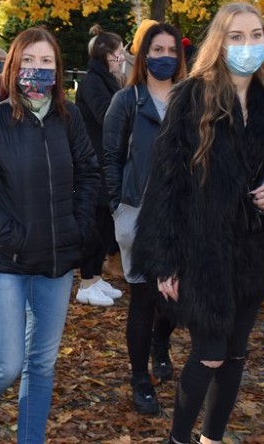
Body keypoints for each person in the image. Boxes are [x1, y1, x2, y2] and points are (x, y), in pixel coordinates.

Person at [133, 3, 264, 444]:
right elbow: (165, 184)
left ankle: (212, 439)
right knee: (209, 354)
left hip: (254, 247)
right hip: (201, 250)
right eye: (236, 37)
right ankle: (178, 439)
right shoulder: (192, 97)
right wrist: (165, 260)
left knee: (236, 355)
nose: (248, 45)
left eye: (256, 36)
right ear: (220, 43)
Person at [0, 27, 100, 443]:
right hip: (5, 262)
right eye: (29, 60)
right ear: (14, 67)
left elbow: (90, 173)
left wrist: (77, 227)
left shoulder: (69, 118)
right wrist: (15, 235)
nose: (38, 68)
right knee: (6, 365)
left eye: (46, 61)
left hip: (56, 262)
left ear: (58, 68)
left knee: (42, 364)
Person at [103, 22, 186, 415]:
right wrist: (117, 205)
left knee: (174, 294)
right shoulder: (127, 101)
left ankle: (160, 341)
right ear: (144, 55)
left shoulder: (191, 99)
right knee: (143, 296)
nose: (164, 57)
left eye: (171, 50)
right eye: (157, 50)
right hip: (136, 211)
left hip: (182, 214)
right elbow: (111, 157)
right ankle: (140, 378)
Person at [74, 29, 126, 307]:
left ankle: (95, 277)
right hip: (94, 162)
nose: (123, 57)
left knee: (105, 222)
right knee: (94, 223)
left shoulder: (107, 80)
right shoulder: (93, 82)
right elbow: (107, 115)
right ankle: (86, 281)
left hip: (106, 160)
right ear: (107, 55)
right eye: (120, 52)